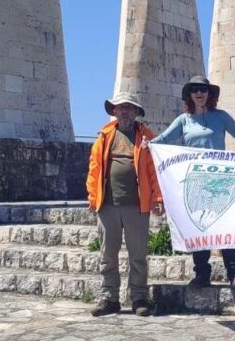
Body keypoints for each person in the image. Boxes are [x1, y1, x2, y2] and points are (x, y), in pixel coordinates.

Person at [150, 74, 235, 288]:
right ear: (189, 94)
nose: (199, 93)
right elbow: (164, 139)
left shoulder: (221, 116)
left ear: (209, 94)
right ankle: (202, 273)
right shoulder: (183, 120)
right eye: (194, 89)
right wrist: (147, 144)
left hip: (221, 179)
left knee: (226, 227)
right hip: (195, 181)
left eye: (203, 89)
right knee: (199, 226)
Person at [85, 92, 164, 317]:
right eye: (121, 107)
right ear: (114, 111)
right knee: (107, 255)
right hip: (107, 205)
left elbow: (155, 171)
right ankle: (109, 299)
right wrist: (93, 197)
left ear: (137, 112)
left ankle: (139, 298)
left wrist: (158, 198)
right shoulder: (104, 136)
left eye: (130, 107)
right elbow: (94, 169)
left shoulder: (148, 139)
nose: (125, 111)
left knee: (137, 255)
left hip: (137, 206)